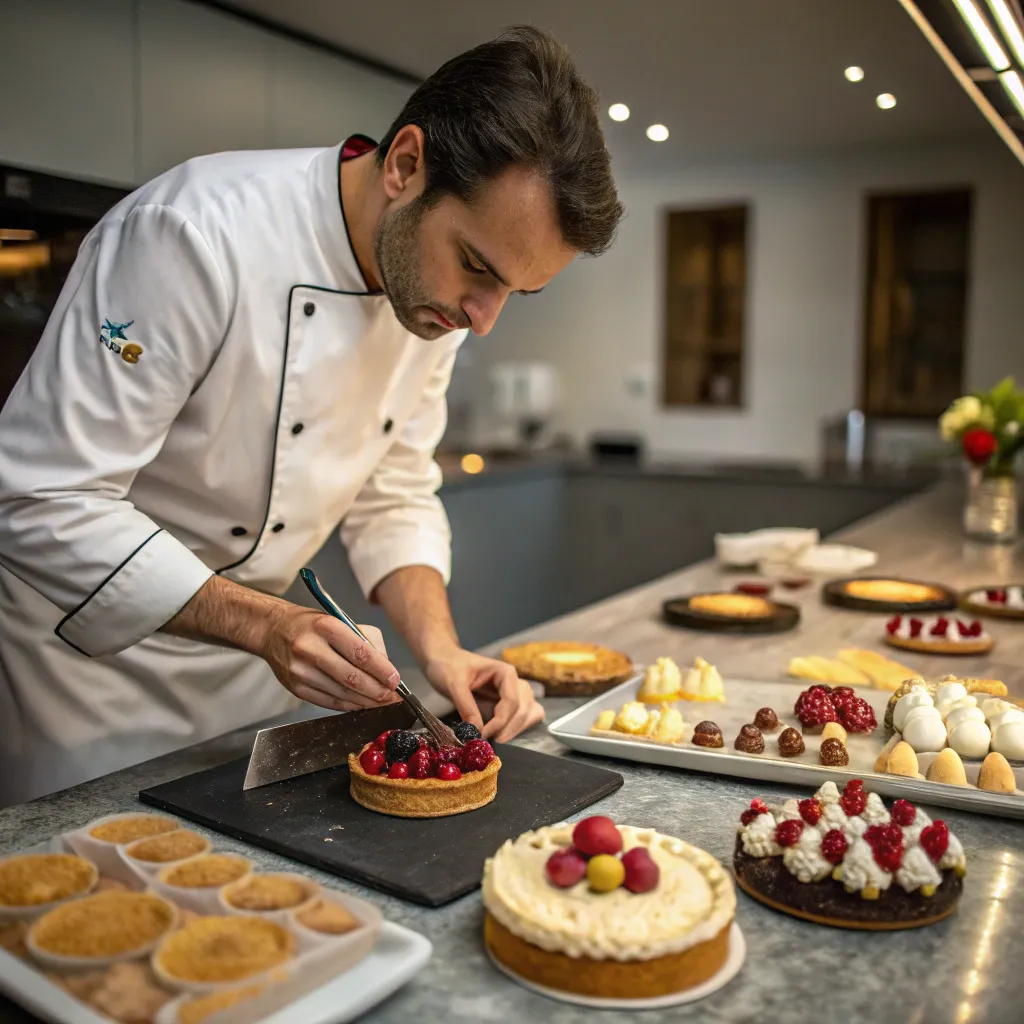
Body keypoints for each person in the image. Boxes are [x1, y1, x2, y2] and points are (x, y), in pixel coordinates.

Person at [0, 27, 623, 806]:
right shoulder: (193, 233)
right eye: (477, 267)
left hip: (254, 679)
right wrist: (264, 624)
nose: (483, 319)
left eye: (514, 293)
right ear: (405, 166)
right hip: (88, 682)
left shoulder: (433, 299)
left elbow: (393, 487)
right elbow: (38, 498)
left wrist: (442, 651)